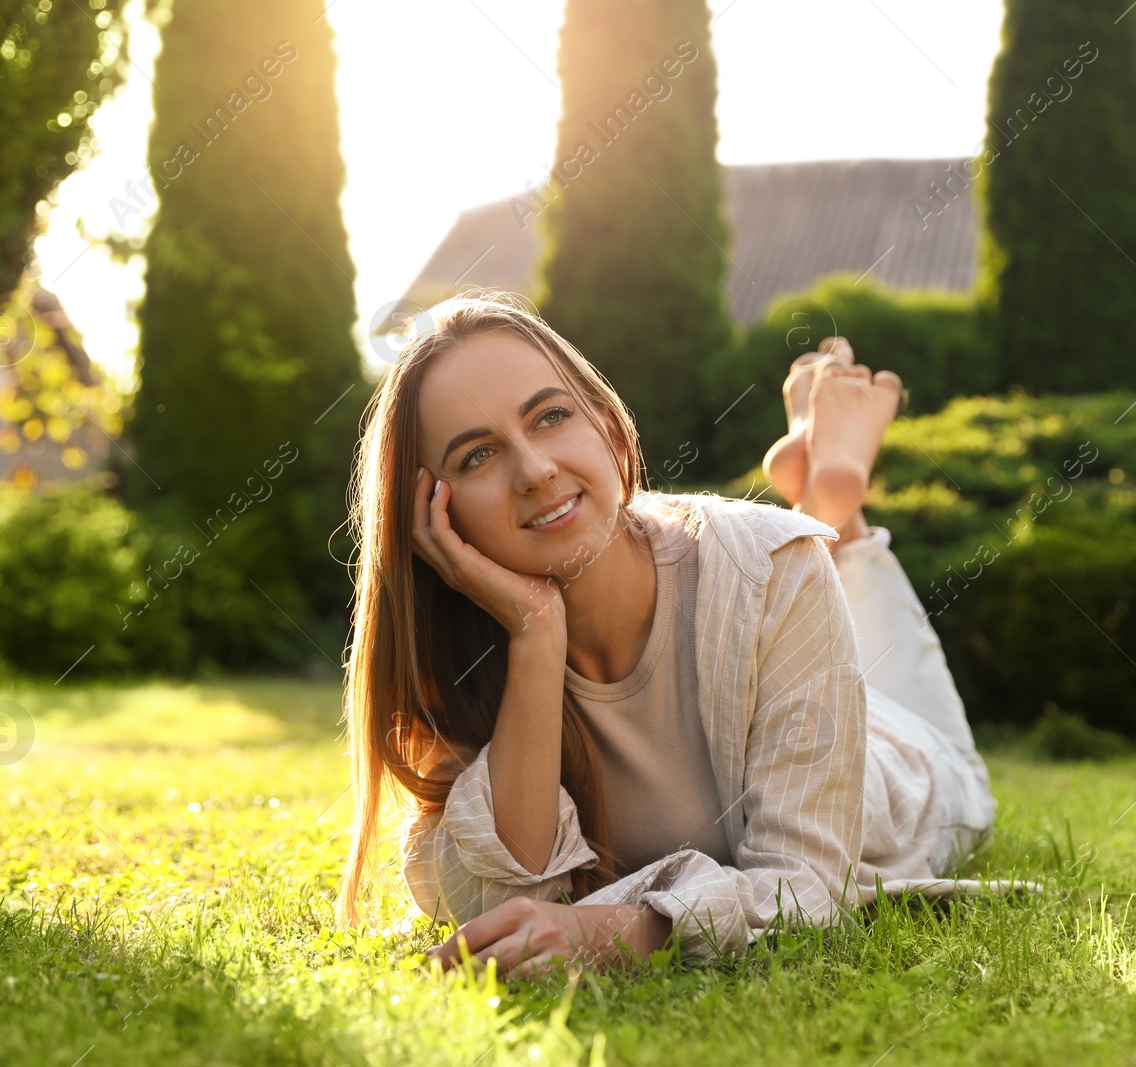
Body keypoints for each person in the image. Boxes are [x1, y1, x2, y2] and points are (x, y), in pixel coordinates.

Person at [336, 293, 999, 977]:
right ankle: (827, 499)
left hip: (904, 762)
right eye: (476, 456)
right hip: (786, 643)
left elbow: (808, 890)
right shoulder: (463, 661)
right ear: (432, 517)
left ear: (611, 430)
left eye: (552, 415)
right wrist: (536, 634)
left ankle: (836, 508)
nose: (535, 470)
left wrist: (623, 931)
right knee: (786, 569)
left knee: (805, 570)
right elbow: (502, 900)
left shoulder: (770, 566)